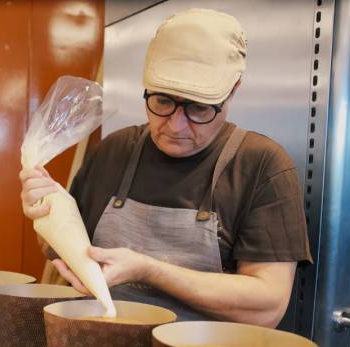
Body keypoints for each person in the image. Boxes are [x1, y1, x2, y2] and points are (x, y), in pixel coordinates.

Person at [19, 8, 311, 328]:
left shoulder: (261, 167)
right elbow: (57, 249)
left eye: (199, 108)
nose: (175, 125)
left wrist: (149, 270)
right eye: (161, 102)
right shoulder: (115, 150)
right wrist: (46, 215)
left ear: (234, 90)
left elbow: (266, 306)